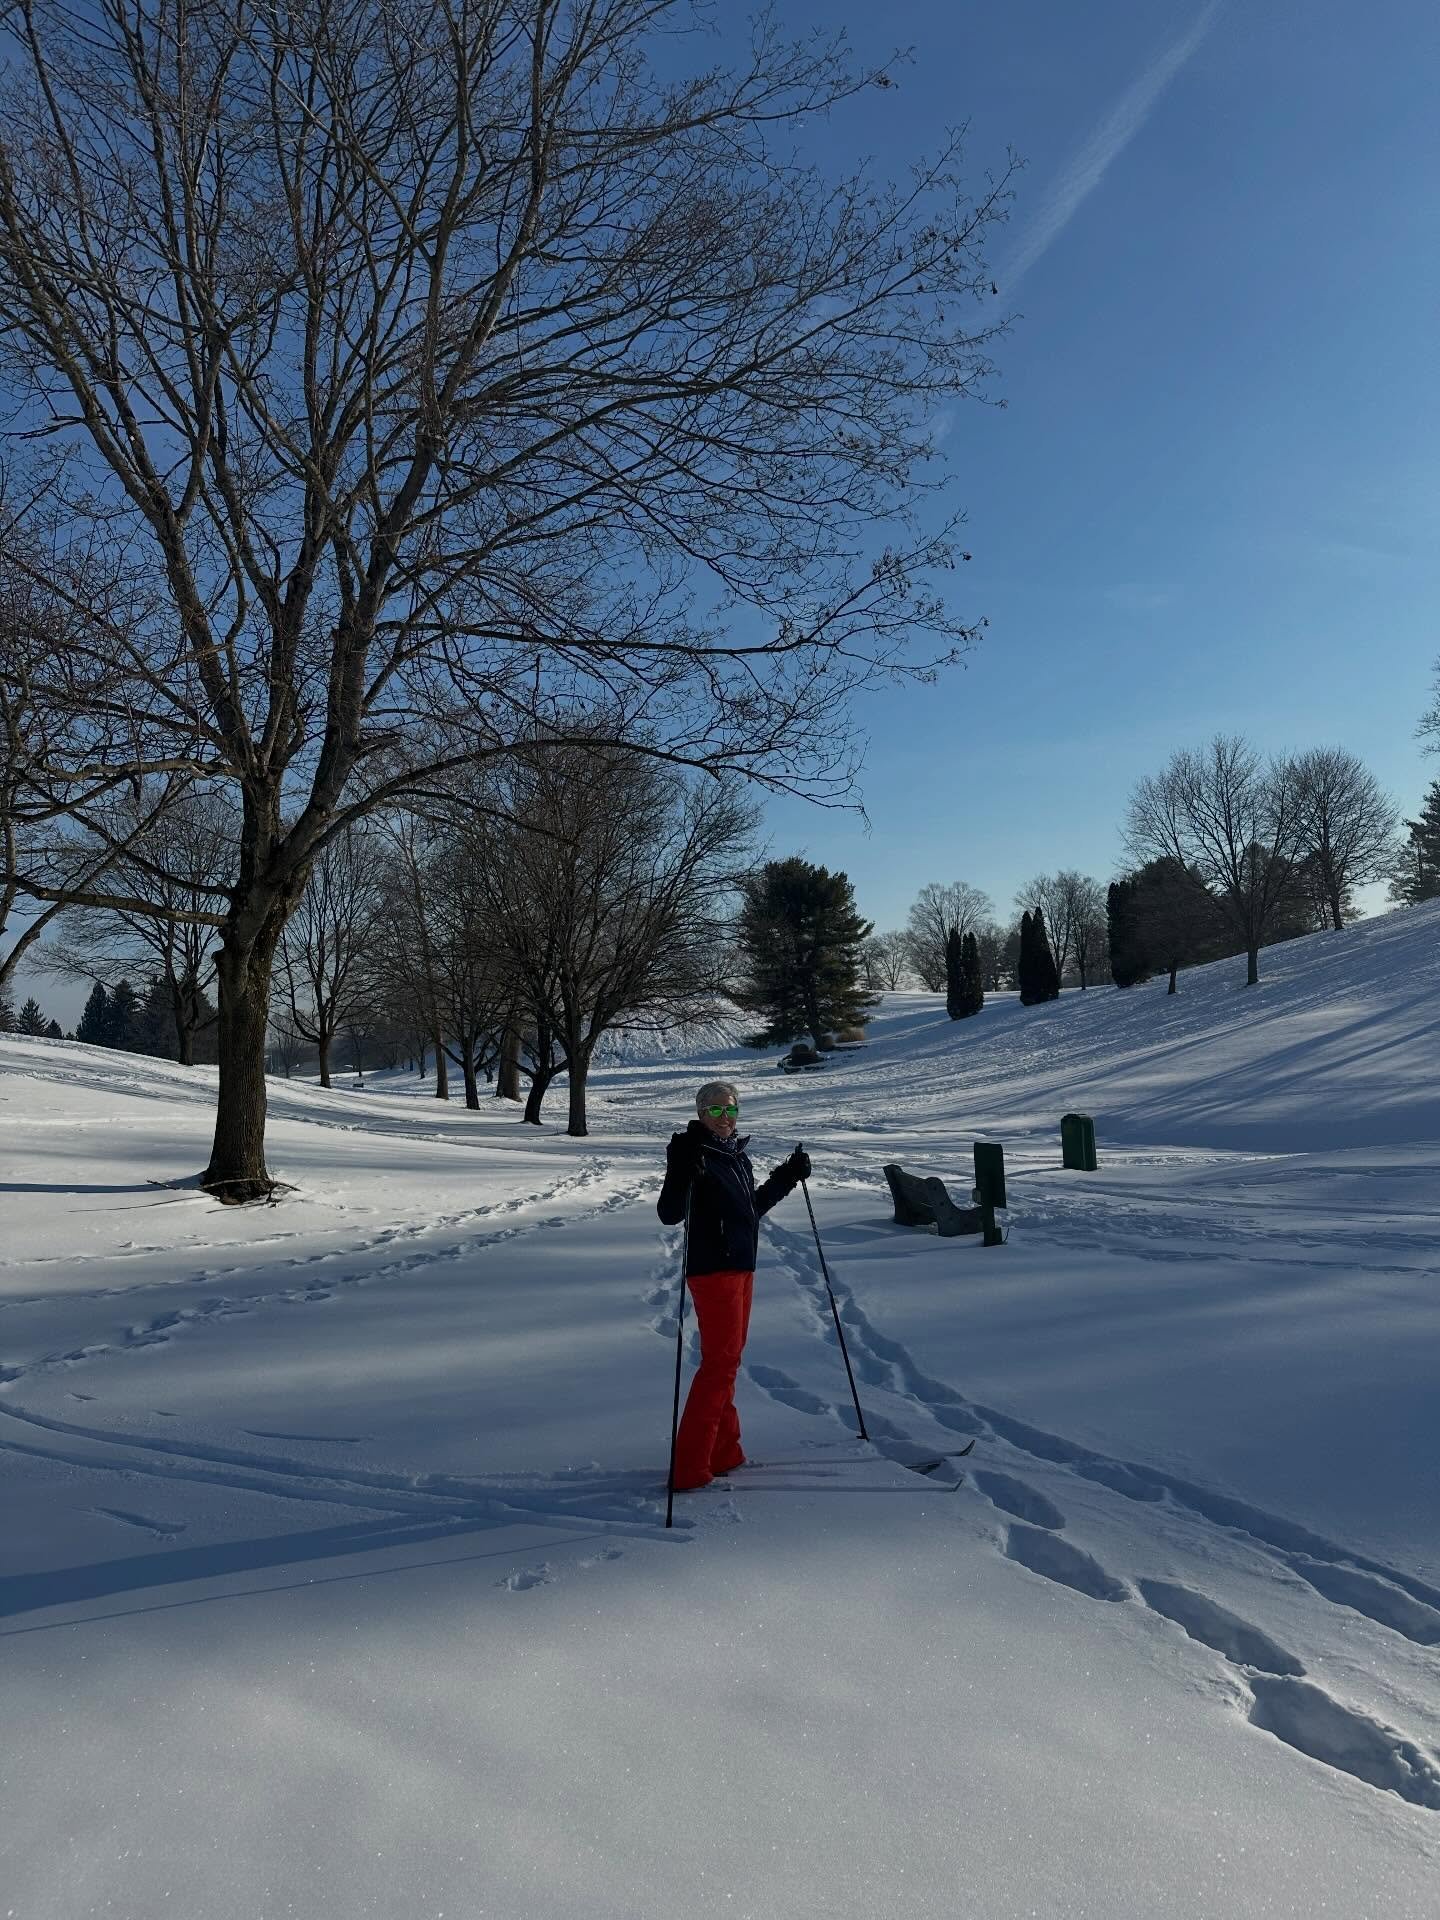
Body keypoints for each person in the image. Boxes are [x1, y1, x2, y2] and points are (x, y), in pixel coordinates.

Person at [657, 1080, 811, 1491]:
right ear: (701, 1112)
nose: (724, 1118)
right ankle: (690, 1467)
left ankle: (724, 1451)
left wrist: (788, 1175)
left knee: (727, 1364)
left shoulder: (734, 1156)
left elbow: (750, 1210)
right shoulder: (694, 1153)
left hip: (742, 1268)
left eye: (731, 1111)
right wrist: (682, 1166)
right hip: (713, 1272)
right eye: (716, 1111)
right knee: (719, 1366)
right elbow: (669, 1213)